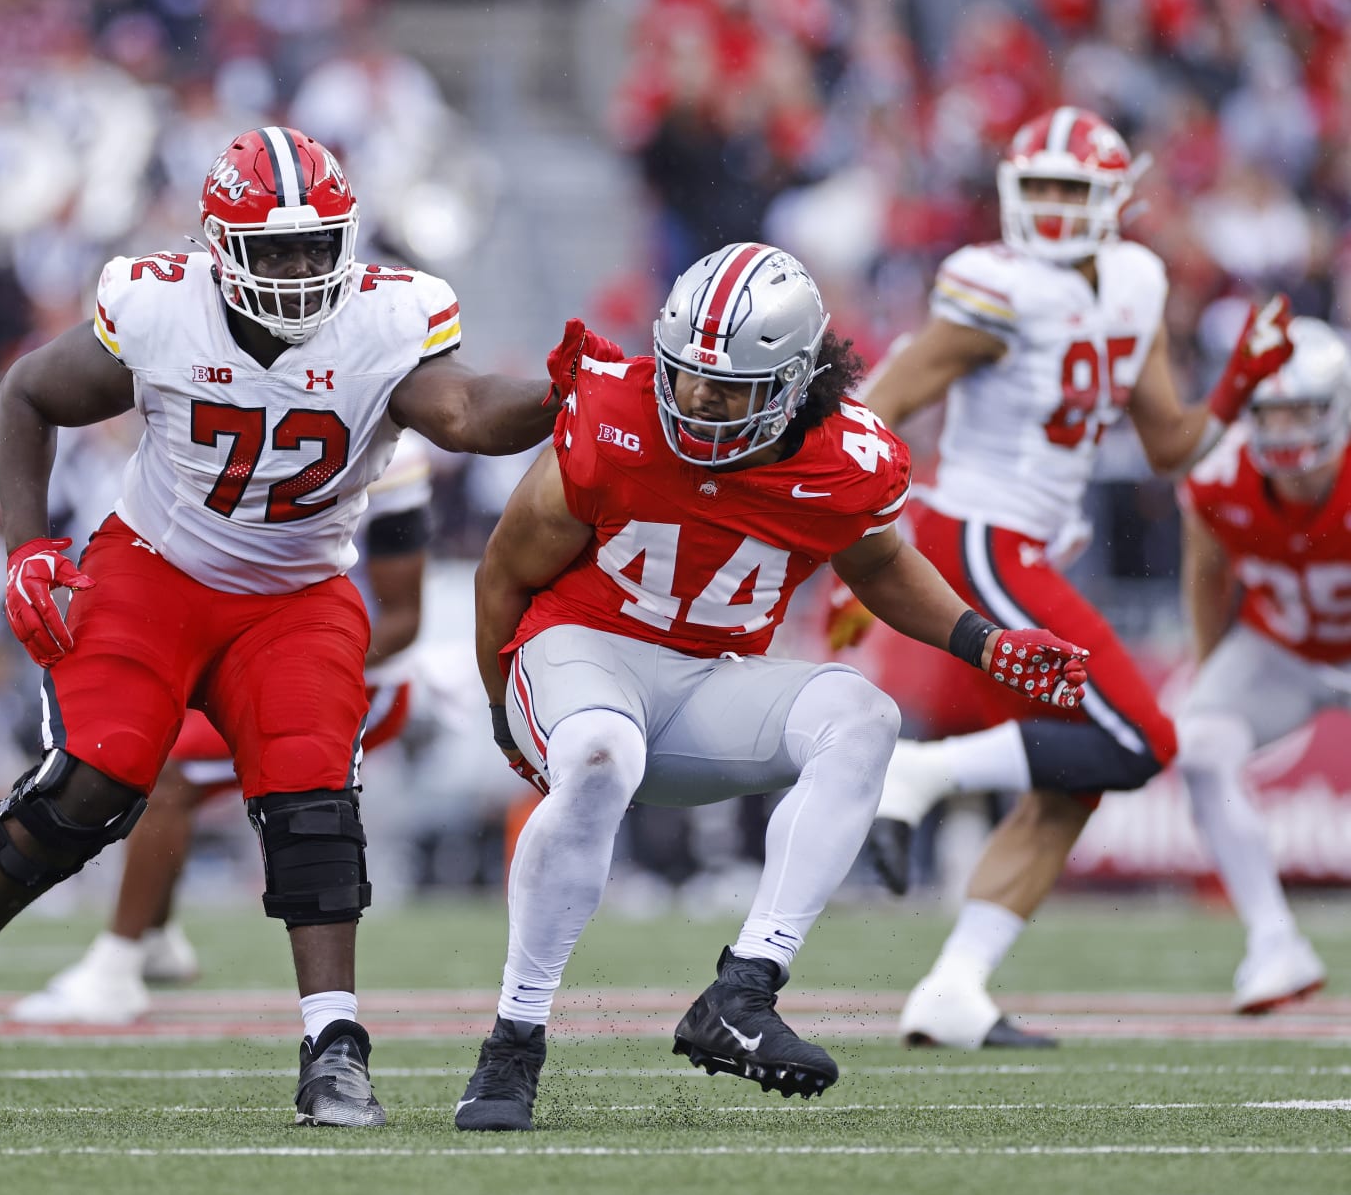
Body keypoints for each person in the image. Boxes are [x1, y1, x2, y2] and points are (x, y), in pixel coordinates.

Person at [0, 126, 569, 1128]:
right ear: (220, 248)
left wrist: (559, 392)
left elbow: (464, 410)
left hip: (296, 593)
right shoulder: (162, 308)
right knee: (99, 774)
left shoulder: (386, 318)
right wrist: (25, 548)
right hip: (156, 570)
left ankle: (334, 1045)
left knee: (314, 798)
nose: (298, 271)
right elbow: (29, 394)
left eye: (315, 247)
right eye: (275, 250)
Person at [453, 242, 1089, 1133]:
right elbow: (503, 573)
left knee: (863, 715)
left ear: (797, 382)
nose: (697, 399)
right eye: (686, 375)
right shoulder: (614, 415)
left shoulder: (847, 459)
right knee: (600, 750)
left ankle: (744, 990)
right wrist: (503, 711)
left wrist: (983, 641)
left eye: (730, 387)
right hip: (581, 654)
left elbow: (878, 563)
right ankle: (513, 1043)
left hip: (710, 680)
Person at [838, 107, 1297, 1048]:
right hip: (979, 538)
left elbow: (1169, 444)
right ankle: (921, 772)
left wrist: (1236, 387)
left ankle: (954, 987)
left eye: (1070, 189)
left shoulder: (1134, 280)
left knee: (1074, 776)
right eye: (1038, 186)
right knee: (1141, 739)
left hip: (1026, 550)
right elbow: (883, 403)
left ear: (1114, 201)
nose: (1050, 205)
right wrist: (854, 547)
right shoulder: (998, 287)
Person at [10, 433, 434, 1022]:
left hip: (350, 672)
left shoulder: (386, 448)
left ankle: (117, 968)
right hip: (239, 649)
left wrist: (299, 665)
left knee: (174, 777)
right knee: (138, 748)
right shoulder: (224, 406)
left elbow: (404, 618)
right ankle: (154, 937)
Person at [1173, 318, 1343, 1013]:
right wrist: (1209, 668)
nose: (1283, 430)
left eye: (1300, 411)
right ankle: (1274, 941)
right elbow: (1205, 574)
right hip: (1283, 650)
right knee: (1200, 746)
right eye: (1269, 413)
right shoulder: (1220, 475)